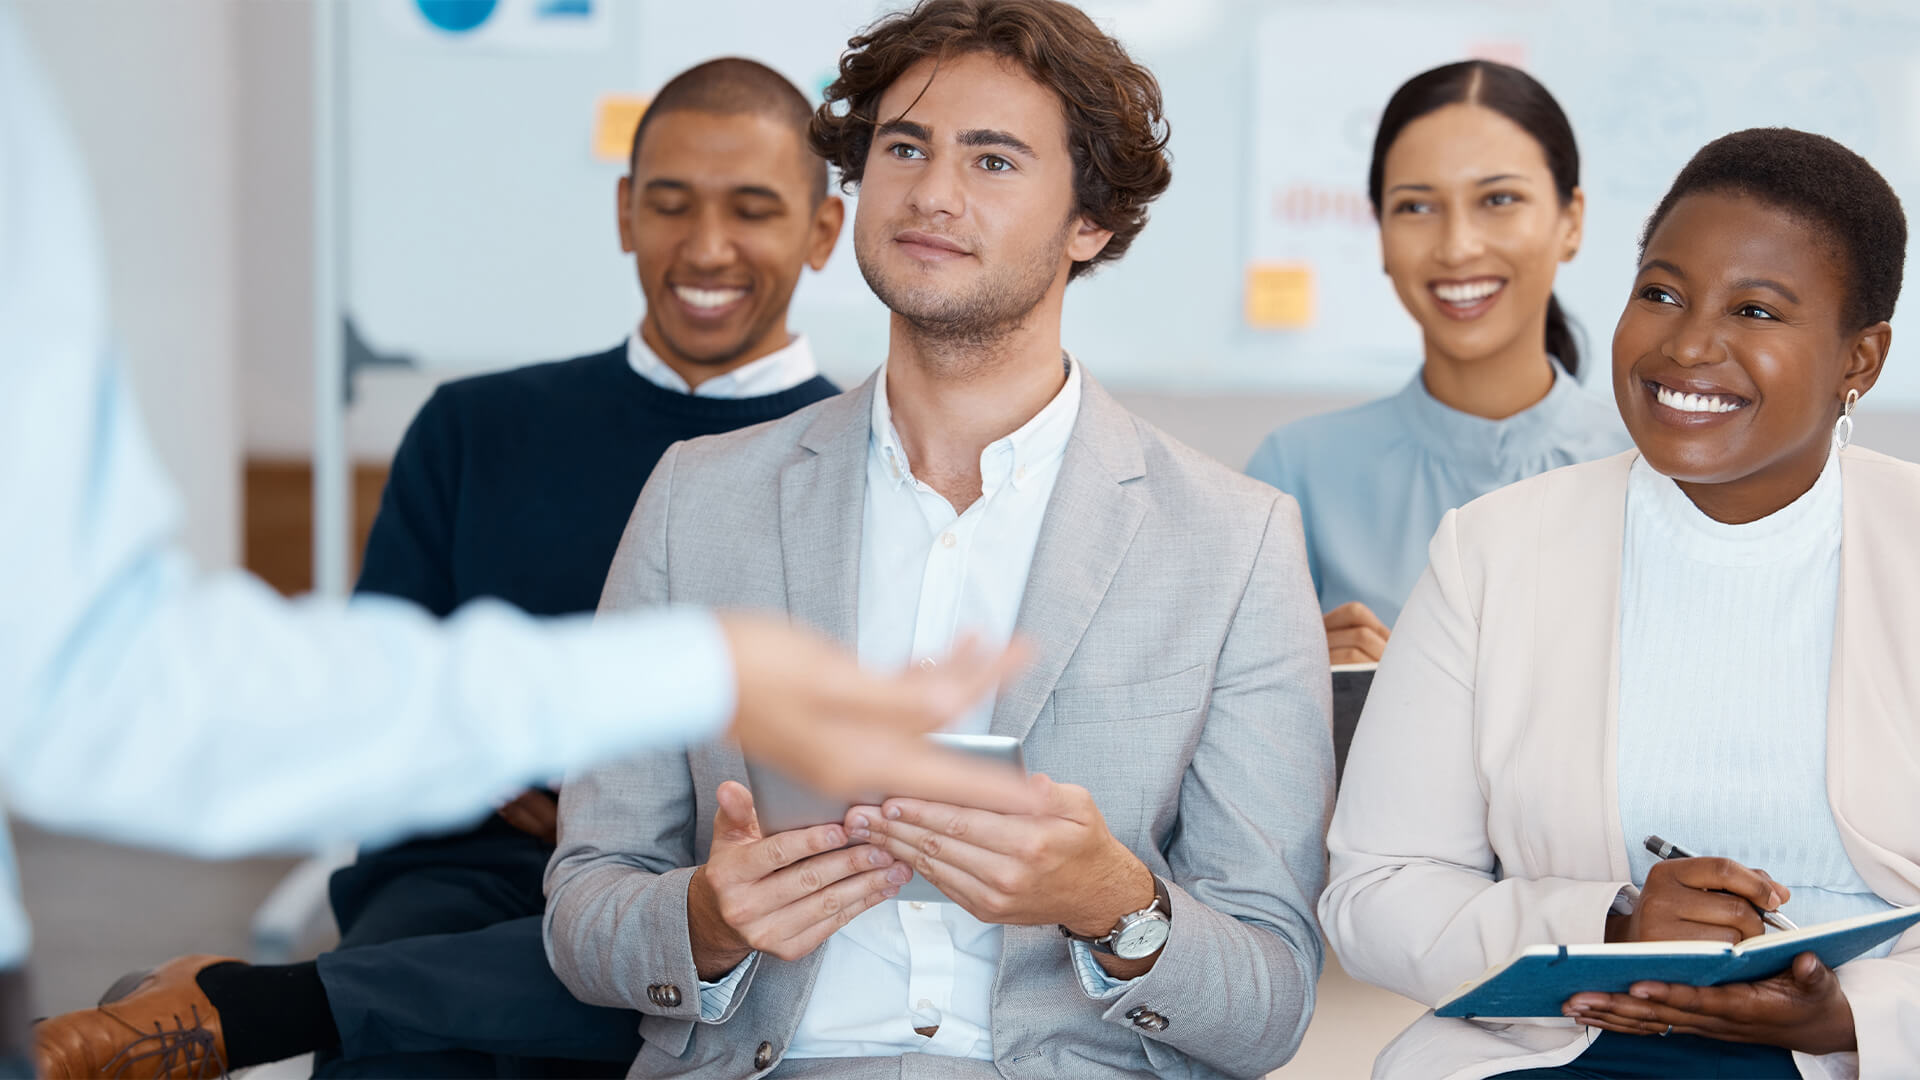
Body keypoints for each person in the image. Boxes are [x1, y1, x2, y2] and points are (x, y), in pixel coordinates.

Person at [0, 11, 1034, 1074]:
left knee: (666, 958)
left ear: (821, 233)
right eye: (670, 204)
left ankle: (263, 1010)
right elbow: (371, 666)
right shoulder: (475, 428)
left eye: (754, 211)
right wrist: (530, 788)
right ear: (626, 214)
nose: (707, 247)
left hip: (705, 867)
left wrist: (621, 827)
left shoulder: (867, 454)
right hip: (470, 853)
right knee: (463, 981)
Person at [544, 2, 1335, 1076]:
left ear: (1088, 220)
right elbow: (583, 909)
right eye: (904, 147)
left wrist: (1113, 905)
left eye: (994, 160)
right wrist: (707, 919)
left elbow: (1271, 1001)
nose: (932, 193)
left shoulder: (1234, 543)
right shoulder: (698, 501)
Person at [1322, 127, 1919, 1079]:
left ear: (1862, 359)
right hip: (1562, 1053)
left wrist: (1852, 1015)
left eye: (1757, 310)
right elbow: (1377, 894)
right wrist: (1613, 919)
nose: (1688, 345)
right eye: (1662, 293)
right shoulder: (1492, 550)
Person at [1246, 61, 1629, 664]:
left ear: (1571, 221)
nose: (1456, 247)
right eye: (1417, 208)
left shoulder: (1657, 470)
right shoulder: (1295, 478)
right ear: (1380, 233)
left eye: (1499, 199)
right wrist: (1292, 679)